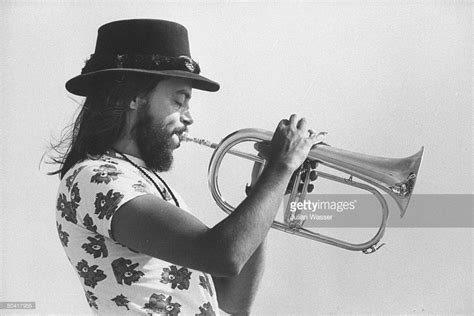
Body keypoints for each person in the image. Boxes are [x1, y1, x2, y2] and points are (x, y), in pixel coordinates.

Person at [51, 19, 320, 315]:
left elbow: (233, 302)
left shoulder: (139, 180)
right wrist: (280, 169)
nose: (189, 118)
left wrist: (263, 190)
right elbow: (223, 255)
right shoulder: (96, 178)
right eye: (179, 101)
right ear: (131, 98)